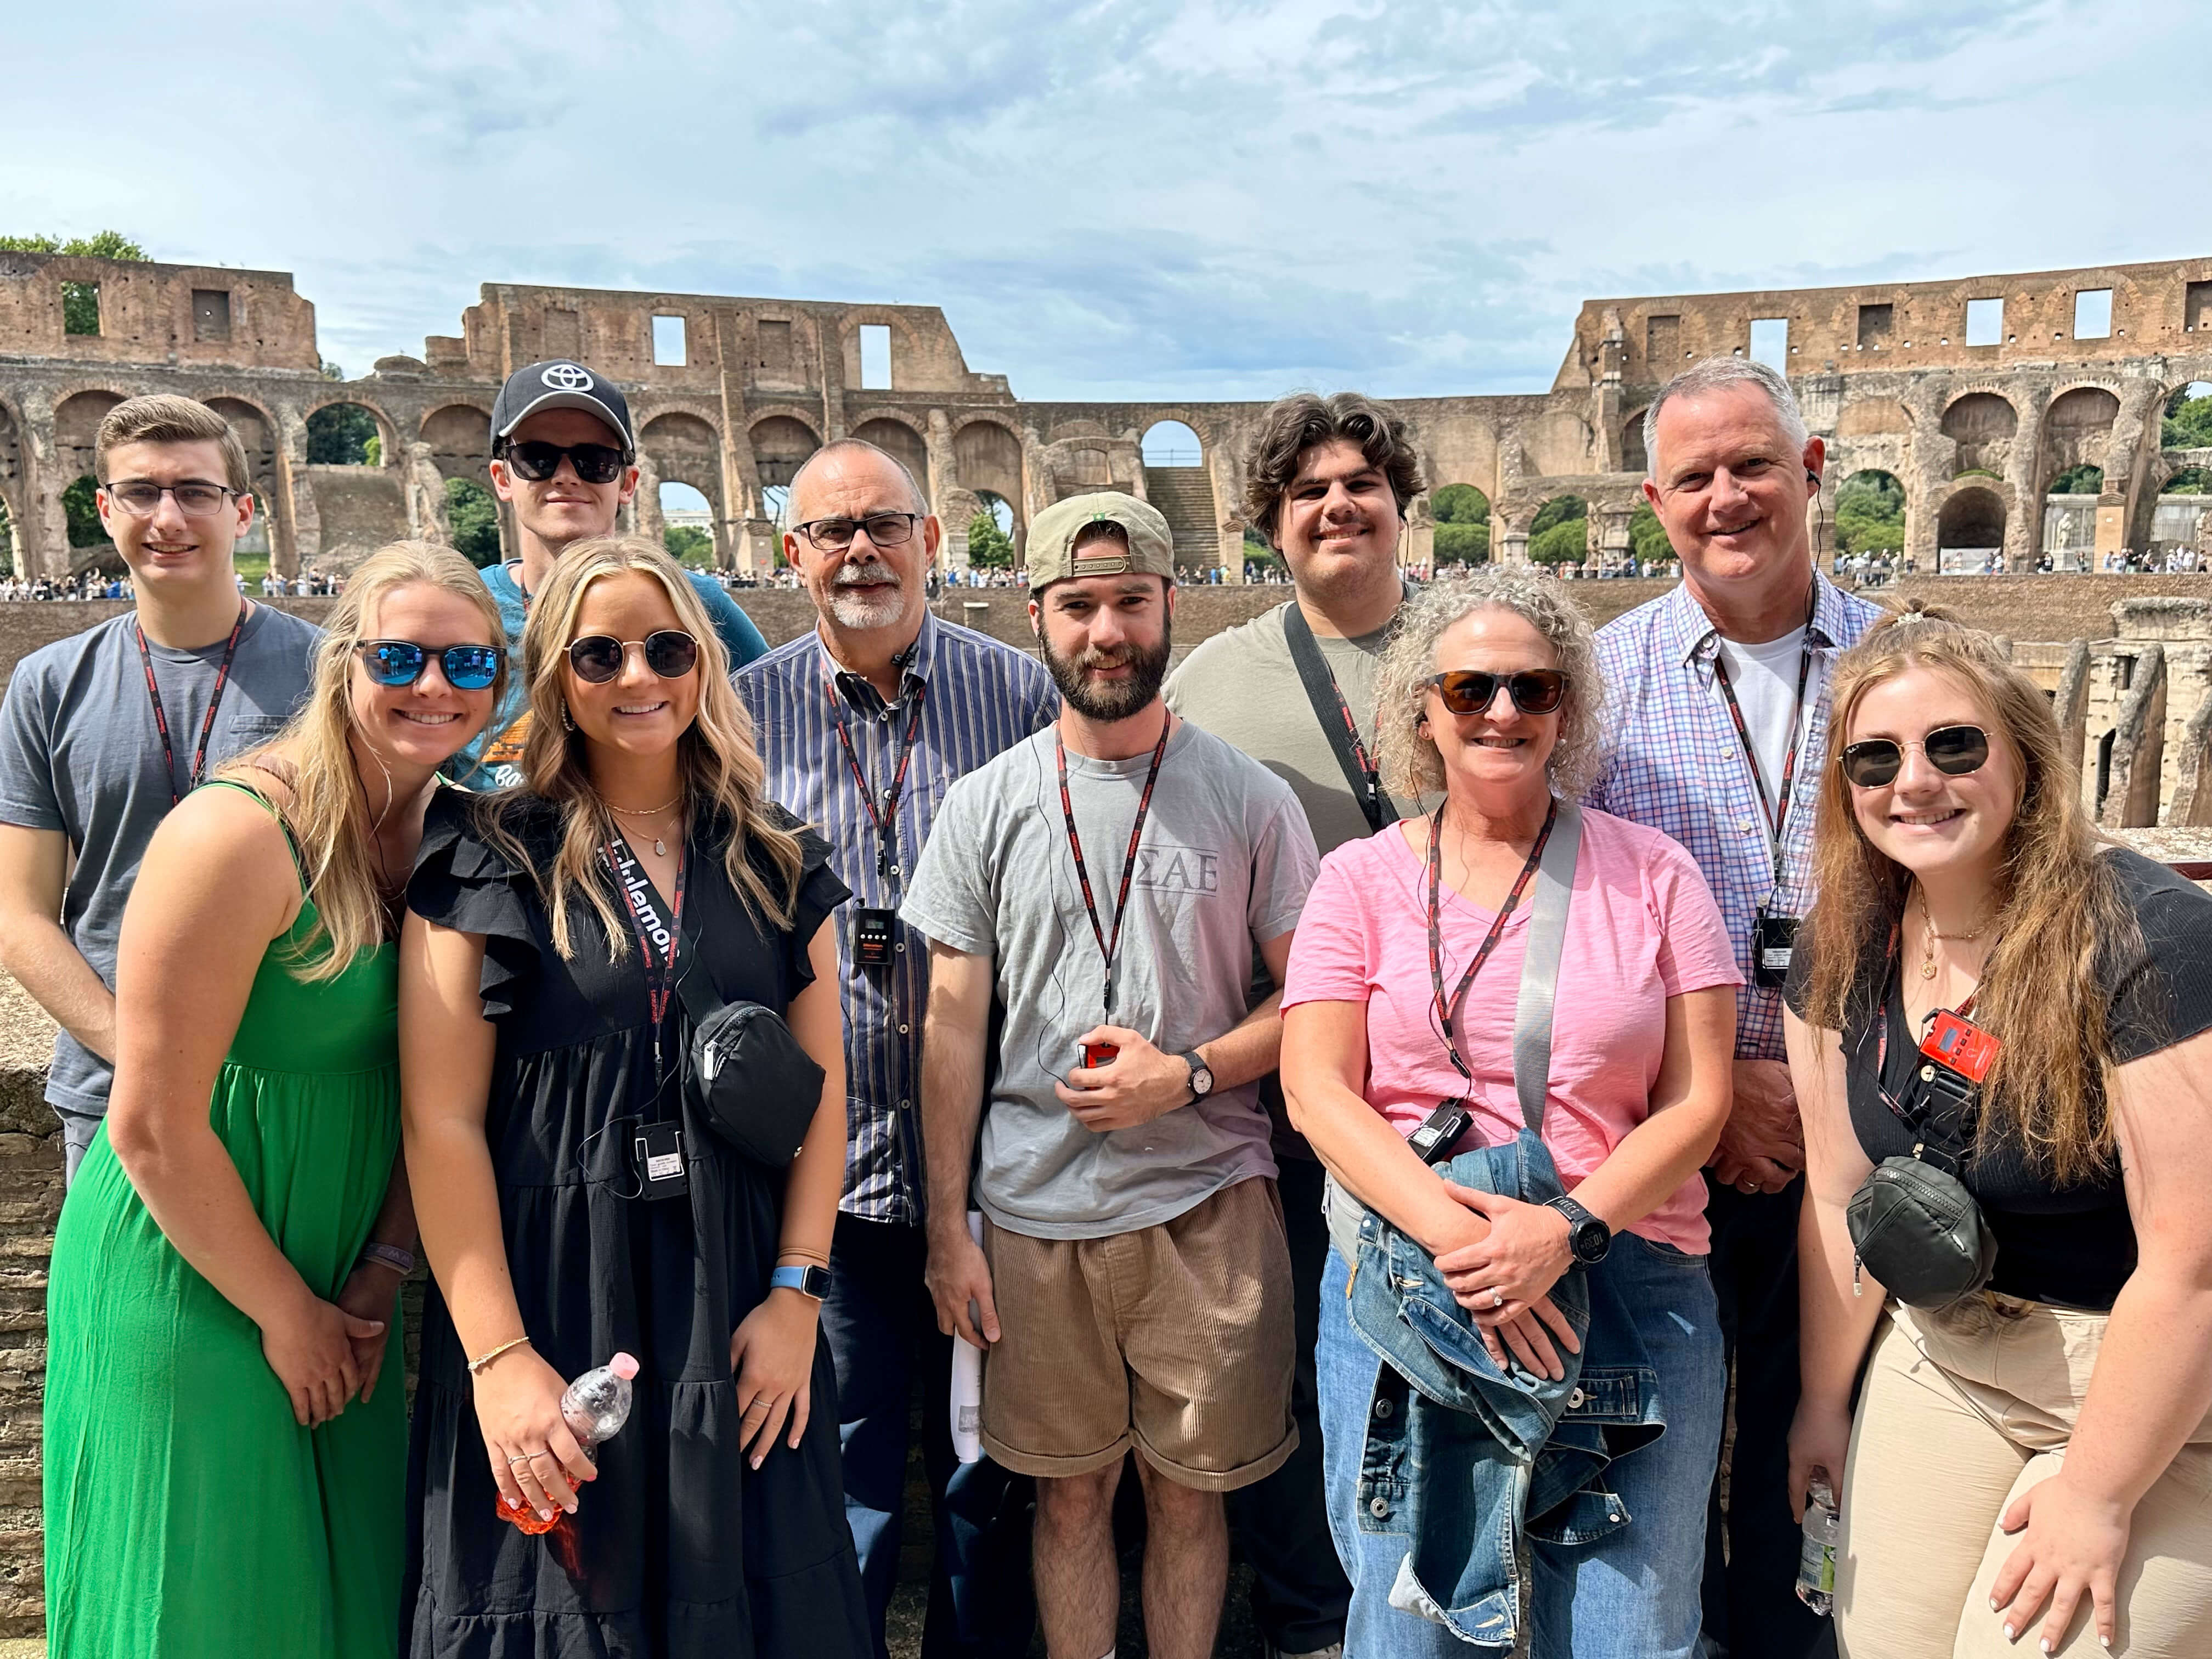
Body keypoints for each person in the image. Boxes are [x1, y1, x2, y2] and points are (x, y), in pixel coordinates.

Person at [399, 535, 868, 1657]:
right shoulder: (487, 853)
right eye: (599, 656)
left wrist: (799, 1295)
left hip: (735, 1288)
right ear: (556, 673)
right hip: (555, 1293)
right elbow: (441, 1122)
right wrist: (498, 1359)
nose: (637, 680)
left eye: (665, 650)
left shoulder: (776, 856)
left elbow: (826, 1098)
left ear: (703, 664)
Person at [43, 540, 505, 1656]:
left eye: (467, 664)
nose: (432, 688)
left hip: (344, 1273)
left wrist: (380, 1271)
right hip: (194, 1262)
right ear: (341, 662)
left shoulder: (466, 829)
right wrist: (284, 1313)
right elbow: (149, 1122)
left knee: (344, 1601)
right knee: (203, 1600)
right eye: (398, 657)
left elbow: (439, 1094)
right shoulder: (238, 832)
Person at [1280, 571, 1738, 1656]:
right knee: (1410, 1626)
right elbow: (1316, 1089)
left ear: (1566, 710)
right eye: (1470, 687)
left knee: (1629, 1627)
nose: (1501, 712)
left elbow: (1702, 1098)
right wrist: (1466, 1244)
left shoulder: (1658, 876)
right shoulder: (1358, 882)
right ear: (1424, 711)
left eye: (1531, 689)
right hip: (1414, 1279)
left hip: (1624, 1274)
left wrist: (1566, 1229)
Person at [904, 492, 1318, 1659]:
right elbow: (949, 1028)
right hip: (1036, 1218)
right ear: (1037, 617)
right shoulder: (986, 805)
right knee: (1071, 1498)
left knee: (1192, 1499)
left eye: (1130, 602)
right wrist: (949, 1229)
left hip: (1209, 1208)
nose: (1106, 632)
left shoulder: (1248, 796)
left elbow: (1315, 1005)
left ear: (1170, 605)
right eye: (1078, 606)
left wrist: (1184, 1075)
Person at [1782, 611, 2212, 1659]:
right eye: (1873, 757)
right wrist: (1822, 1402)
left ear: (2024, 754)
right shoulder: (1842, 944)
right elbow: (1841, 1195)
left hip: (2150, 1378)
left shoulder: (2142, 935)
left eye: (1954, 745)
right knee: (1878, 1638)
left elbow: (2193, 1261)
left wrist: (2098, 1494)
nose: (1913, 780)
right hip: (1949, 1355)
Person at [1582, 357, 1883, 1659]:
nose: (1728, 497)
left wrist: (1828, 1094)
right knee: (1654, 1451)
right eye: (1695, 477)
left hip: (1860, 1131)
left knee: (1825, 1445)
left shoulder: (1905, 666)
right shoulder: (1599, 682)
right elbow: (1572, 924)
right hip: (1671, 1134)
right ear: (1657, 503)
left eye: (1753, 464)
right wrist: (1704, 1096)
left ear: (1810, 473)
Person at [738, 438, 1056, 1659]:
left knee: (997, 1464)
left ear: (931, 538)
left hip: (993, 1159)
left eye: (884, 524)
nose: (860, 550)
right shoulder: (746, 713)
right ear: (793, 554)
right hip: (830, 1156)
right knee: (847, 1468)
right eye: (832, 531)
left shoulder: (1016, 695)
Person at [1164, 389, 1429, 1659]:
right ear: (1273, 521)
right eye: (1309, 490)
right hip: (1282, 1075)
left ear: (1398, 507)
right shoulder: (1214, 680)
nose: (1339, 506)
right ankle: (1315, 1611)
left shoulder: (1480, 646)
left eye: (1361, 485)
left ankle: (1444, 1594)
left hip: (1461, 1076)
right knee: (1290, 1342)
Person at [0, 394, 320, 1183]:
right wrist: (146, 1059)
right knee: (115, 1310)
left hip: (292, 1086)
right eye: (141, 493)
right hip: (114, 1092)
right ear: (106, 509)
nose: (167, 517)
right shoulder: (47, 684)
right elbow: (20, 915)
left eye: (195, 492)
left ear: (243, 511)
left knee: (309, 1311)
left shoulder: (328, 671)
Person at [444, 359, 769, 789]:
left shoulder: (695, 604)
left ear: (628, 483)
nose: (565, 476)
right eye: (536, 458)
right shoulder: (458, 611)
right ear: (503, 478)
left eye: (594, 461)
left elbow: (781, 727)